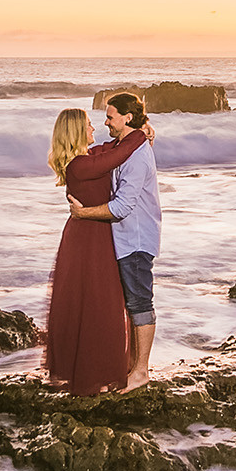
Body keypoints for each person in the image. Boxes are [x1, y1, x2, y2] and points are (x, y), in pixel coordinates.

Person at [64, 92, 161, 389]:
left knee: (140, 302)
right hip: (123, 238)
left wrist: (83, 215)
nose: (105, 122)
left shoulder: (137, 156)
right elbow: (103, 154)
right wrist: (144, 132)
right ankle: (132, 368)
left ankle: (141, 371)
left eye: (110, 116)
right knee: (131, 303)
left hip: (136, 238)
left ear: (126, 118)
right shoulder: (125, 147)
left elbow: (121, 207)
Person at [43, 108, 136, 396]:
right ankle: (92, 375)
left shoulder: (86, 159)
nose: (94, 128)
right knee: (96, 302)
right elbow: (116, 155)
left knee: (99, 301)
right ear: (75, 132)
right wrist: (140, 132)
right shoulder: (78, 166)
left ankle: (95, 371)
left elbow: (108, 149)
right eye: (88, 125)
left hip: (93, 233)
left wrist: (129, 135)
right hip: (87, 238)